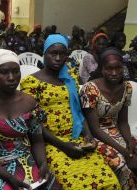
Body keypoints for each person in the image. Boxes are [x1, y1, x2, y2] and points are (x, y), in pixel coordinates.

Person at [20, 34, 120, 189]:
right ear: (44, 54)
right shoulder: (31, 82)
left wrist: (87, 135)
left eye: (62, 54)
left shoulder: (70, 78)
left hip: (76, 140)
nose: (58, 58)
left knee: (109, 181)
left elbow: (79, 111)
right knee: (76, 185)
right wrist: (63, 145)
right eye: (53, 53)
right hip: (50, 143)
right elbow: (34, 123)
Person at [0, 49, 60, 189]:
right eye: (4, 72)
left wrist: (42, 164)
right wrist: (9, 177)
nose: (11, 77)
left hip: (27, 161)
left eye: (16, 71)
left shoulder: (29, 102)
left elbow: (37, 141)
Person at [80, 47, 137, 189]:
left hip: (115, 130)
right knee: (122, 165)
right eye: (109, 68)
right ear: (102, 69)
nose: (114, 73)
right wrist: (125, 153)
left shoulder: (127, 87)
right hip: (96, 137)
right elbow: (95, 129)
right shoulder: (91, 89)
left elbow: (123, 121)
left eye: (118, 68)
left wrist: (129, 143)